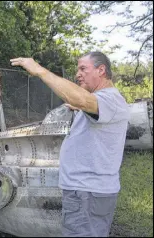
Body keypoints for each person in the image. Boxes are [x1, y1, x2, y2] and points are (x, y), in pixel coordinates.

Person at [11, 52, 130, 237]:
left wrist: (40, 71)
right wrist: (81, 107)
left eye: (83, 68)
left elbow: (80, 98)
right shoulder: (103, 102)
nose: (78, 74)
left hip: (86, 194)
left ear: (101, 70)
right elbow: (84, 103)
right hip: (87, 193)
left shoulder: (110, 99)